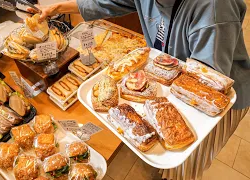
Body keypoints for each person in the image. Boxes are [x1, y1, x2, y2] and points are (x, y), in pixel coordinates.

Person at [29, 0, 250, 179]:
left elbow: (204, 87)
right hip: (169, 86)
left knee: (185, 161)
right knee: (163, 149)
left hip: (215, 104)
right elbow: (105, 2)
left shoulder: (214, 9)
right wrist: (55, 8)